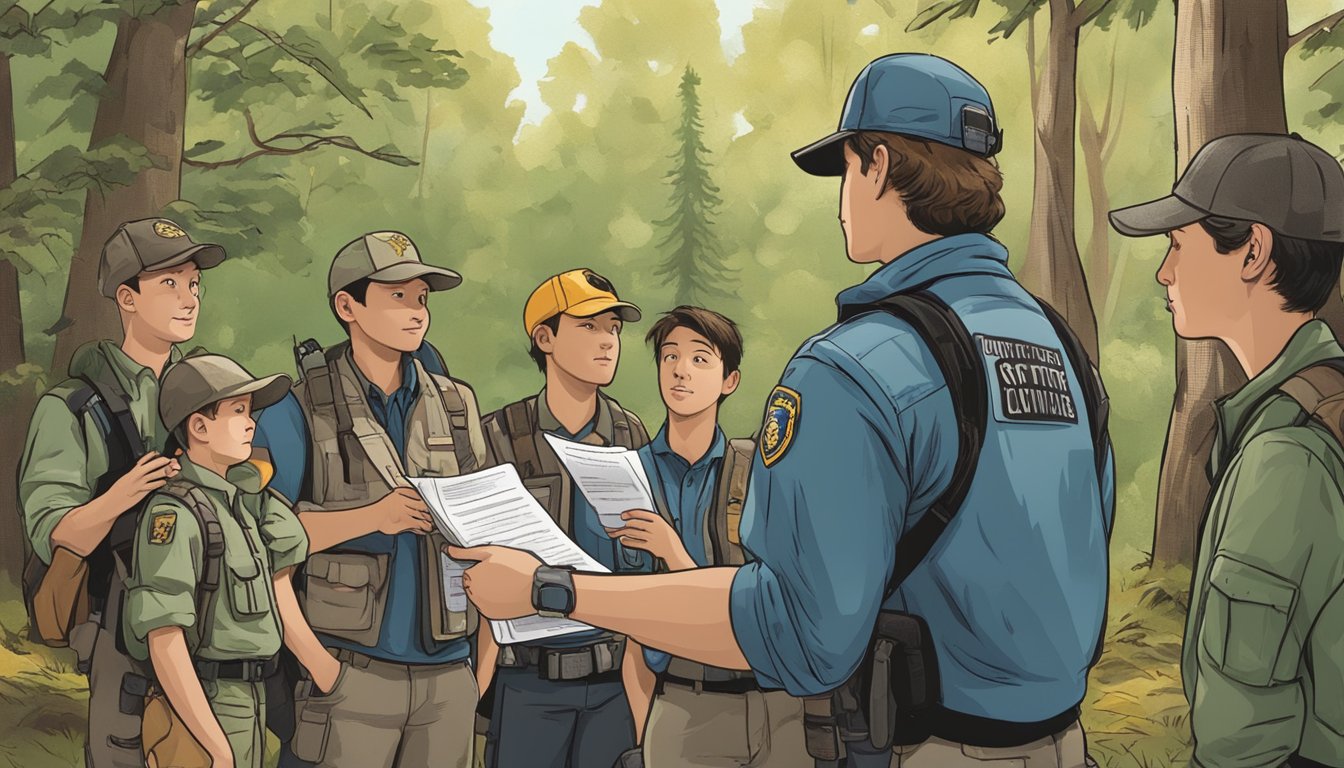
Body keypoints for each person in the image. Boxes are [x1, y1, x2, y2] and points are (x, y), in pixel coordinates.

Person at [451, 53, 1114, 768]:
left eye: (846, 171)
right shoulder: (1061, 346)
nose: (841, 199)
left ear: (881, 165)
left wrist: (552, 590)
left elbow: (799, 634)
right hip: (1063, 743)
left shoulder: (854, 366)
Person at [1109, 132, 1344, 768]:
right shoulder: (1321, 403)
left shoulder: (1284, 458)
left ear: (1253, 253)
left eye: (1178, 244)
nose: (1165, 272)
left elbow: (1244, 731)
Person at [257, 231, 489, 768]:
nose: (416, 313)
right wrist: (321, 669)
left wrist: (479, 669)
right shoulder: (296, 408)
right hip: (349, 673)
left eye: (422, 299)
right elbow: (262, 541)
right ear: (347, 306)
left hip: (450, 675)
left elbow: (487, 533)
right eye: (397, 297)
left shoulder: (457, 406)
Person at [17, 218, 226, 768]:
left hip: (207, 614)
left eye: (195, 286)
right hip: (117, 627)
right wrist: (125, 494)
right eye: (170, 285)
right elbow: (54, 532)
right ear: (126, 298)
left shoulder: (211, 399)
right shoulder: (69, 408)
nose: (189, 300)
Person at [609, 305, 809, 768]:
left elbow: (768, 595)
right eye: (669, 357)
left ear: (729, 381)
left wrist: (674, 554)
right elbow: (628, 620)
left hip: (777, 704)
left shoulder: (759, 470)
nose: (681, 370)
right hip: (682, 703)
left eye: (700, 359)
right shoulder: (628, 476)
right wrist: (646, 733)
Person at [123, 354, 342, 768]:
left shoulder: (243, 502)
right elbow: (165, 640)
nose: (251, 423)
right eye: (238, 411)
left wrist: (253, 486)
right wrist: (215, 747)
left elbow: (288, 556)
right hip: (208, 702)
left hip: (258, 698)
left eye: (250, 412)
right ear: (199, 427)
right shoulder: (176, 514)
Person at [476, 268, 649, 768]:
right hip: (526, 684)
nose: (608, 342)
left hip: (617, 682)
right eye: (589, 327)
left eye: (614, 329)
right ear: (544, 337)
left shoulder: (631, 434)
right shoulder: (500, 436)